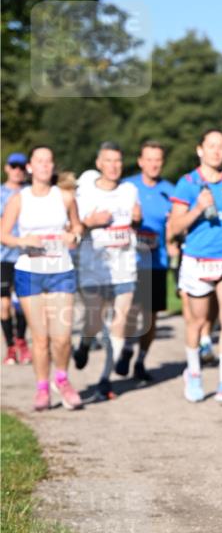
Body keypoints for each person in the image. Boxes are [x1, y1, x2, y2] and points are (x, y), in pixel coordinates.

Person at [0, 146, 83, 410]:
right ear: (30, 168)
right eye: (40, 161)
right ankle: (42, 388)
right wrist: (23, 240)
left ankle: (62, 378)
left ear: (53, 166)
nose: (45, 166)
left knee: (62, 337)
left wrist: (75, 236)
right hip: (30, 272)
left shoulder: (66, 197)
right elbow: (3, 235)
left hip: (60, 271)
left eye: (49, 161)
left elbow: (77, 226)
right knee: (41, 338)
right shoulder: (19, 199)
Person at [170, 129, 222, 404]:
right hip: (197, 258)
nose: (217, 151)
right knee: (198, 322)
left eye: (221, 147)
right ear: (200, 150)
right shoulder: (187, 183)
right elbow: (174, 227)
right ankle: (193, 373)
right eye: (211, 146)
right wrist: (197, 209)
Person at [74, 142, 141, 402]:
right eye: (109, 161)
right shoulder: (86, 193)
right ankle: (84, 344)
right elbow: (75, 227)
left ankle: (105, 379)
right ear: (99, 163)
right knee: (94, 322)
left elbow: (135, 218)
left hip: (125, 267)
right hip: (95, 269)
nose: (114, 166)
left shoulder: (129, 190)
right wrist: (91, 222)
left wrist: (136, 218)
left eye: (118, 161)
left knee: (119, 322)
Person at [116, 141, 176, 382]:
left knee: (150, 317)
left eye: (158, 160)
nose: (153, 164)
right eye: (149, 159)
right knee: (132, 310)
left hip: (157, 261)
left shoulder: (170, 191)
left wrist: (173, 237)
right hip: (130, 261)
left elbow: (175, 227)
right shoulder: (127, 187)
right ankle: (127, 348)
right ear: (140, 161)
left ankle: (140, 360)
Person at [1, 152, 31, 365]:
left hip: (26, 256)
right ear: (7, 168)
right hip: (3, 256)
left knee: (23, 303)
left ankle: (21, 340)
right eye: (14, 166)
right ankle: (10, 346)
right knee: (3, 304)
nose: (18, 170)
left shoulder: (31, 193)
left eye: (21, 167)